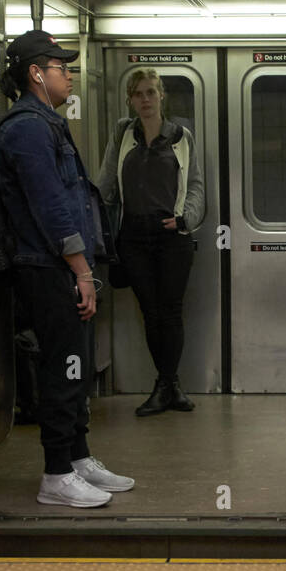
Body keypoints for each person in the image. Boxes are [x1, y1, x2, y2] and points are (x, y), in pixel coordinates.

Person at [0, 30, 134, 508]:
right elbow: (51, 206)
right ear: (36, 73)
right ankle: (55, 472)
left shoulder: (45, 122)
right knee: (60, 367)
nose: (69, 75)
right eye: (61, 67)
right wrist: (81, 270)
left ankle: (77, 457)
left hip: (60, 265)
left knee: (74, 366)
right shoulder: (27, 128)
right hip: (46, 266)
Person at [96, 69, 206, 416]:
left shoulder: (180, 136)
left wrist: (186, 218)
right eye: (138, 94)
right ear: (130, 99)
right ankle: (167, 385)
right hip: (133, 236)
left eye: (151, 93)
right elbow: (106, 184)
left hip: (172, 235)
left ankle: (168, 384)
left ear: (162, 97)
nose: (145, 100)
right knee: (150, 312)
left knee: (171, 312)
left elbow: (196, 185)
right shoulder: (123, 133)